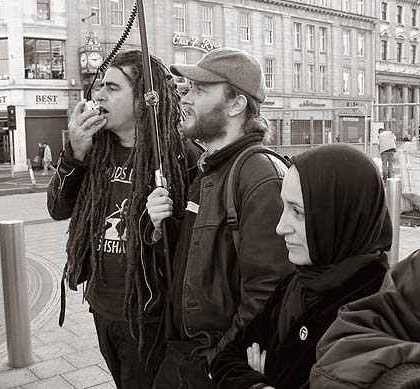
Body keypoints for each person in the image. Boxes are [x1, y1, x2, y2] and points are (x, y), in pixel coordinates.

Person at [146, 47, 293, 388]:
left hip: (210, 364)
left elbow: (268, 291)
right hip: (184, 354)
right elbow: (196, 262)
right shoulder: (210, 168)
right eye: (187, 88)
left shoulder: (259, 175)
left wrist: (219, 361)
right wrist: (159, 227)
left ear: (236, 104)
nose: (185, 98)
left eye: (199, 90)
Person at [47, 50, 193, 389]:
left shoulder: (178, 155)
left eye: (112, 88)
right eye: (100, 87)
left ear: (145, 98)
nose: (99, 96)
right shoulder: (95, 148)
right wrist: (75, 153)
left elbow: (189, 244)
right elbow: (57, 208)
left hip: (149, 313)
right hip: (103, 305)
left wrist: (161, 227)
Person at [210, 144, 392, 389]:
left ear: (337, 215)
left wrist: (260, 374)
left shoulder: (376, 309)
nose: (280, 227)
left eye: (298, 211)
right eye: (284, 206)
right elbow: (225, 360)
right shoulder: (296, 283)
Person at [310, 246, 420, 389]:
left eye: (300, 221)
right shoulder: (289, 290)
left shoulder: (363, 283)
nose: (281, 229)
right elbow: (347, 345)